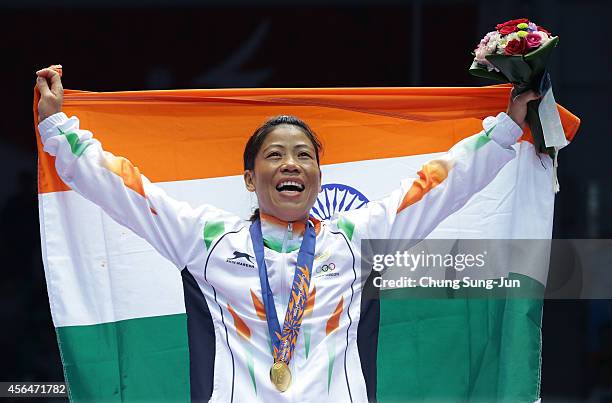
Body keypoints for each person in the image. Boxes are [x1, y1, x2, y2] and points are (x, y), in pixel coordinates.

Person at [35, 67, 539, 403]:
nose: (290, 163)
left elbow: (438, 185)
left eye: (303, 155)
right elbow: (127, 190)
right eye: (274, 155)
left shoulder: (354, 237)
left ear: (318, 176)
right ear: (251, 180)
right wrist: (58, 128)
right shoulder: (207, 238)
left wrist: (505, 131)